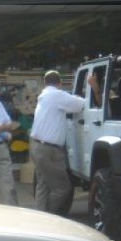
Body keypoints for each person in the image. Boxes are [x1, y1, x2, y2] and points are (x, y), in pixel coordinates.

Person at [30, 70, 100, 215]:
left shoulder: (44, 96)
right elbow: (82, 105)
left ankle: (40, 218)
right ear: (60, 83)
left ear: (45, 83)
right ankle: (51, 216)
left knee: (43, 185)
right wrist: (94, 88)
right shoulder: (57, 95)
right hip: (50, 151)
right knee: (62, 188)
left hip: (37, 147)